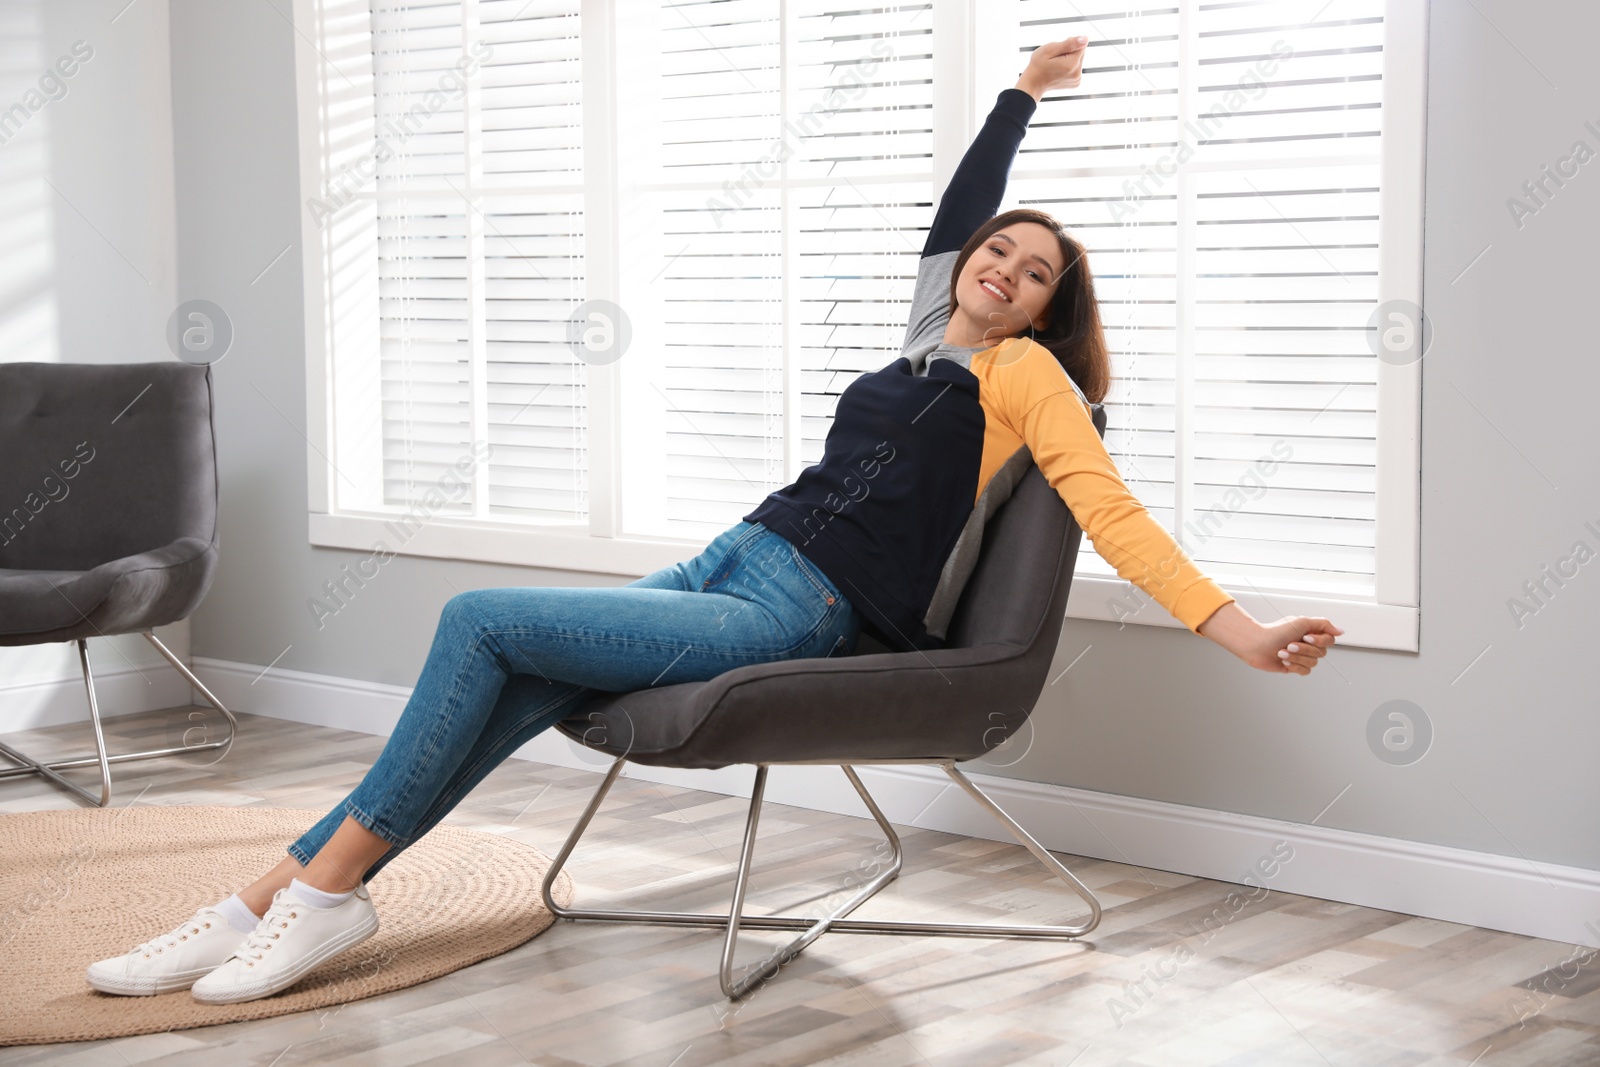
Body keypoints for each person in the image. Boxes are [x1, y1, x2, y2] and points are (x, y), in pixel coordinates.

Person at [86, 35, 1341, 1005]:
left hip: (792, 603)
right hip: (730, 555)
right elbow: (962, 202)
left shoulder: (1024, 380)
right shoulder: (921, 341)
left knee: (477, 617)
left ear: (1045, 311)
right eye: (995, 252)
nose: (1001, 268)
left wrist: (1238, 631)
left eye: (1034, 273)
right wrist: (1021, 87)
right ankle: (271, 897)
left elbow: (1109, 513)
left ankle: (314, 891)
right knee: (511, 668)